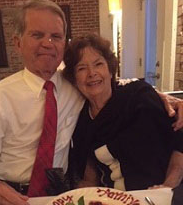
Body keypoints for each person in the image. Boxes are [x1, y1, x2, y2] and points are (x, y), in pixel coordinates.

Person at [0, 0, 182, 205]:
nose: (47, 43)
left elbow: (111, 84)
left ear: (64, 43)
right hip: (11, 195)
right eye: (37, 34)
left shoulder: (73, 85)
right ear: (18, 43)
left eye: (56, 36)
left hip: (58, 192)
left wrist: (162, 97)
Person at [63, 33, 183, 191]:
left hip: (158, 194)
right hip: (113, 199)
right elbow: (90, 175)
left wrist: (168, 185)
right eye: (82, 68)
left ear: (110, 70)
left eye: (98, 64)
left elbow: (179, 139)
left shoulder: (139, 98)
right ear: (74, 78)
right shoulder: (82, 121)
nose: (92, 73)